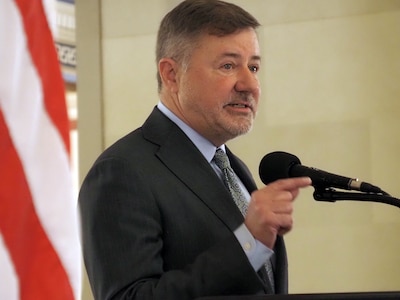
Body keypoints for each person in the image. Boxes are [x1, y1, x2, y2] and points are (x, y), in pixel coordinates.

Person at [79, 1, 312, 299]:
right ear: (172, 75)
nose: (250, 84)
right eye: (228, 65)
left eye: (254, 66)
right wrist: (248, 243)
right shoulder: (121, 171)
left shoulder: (231, 167)